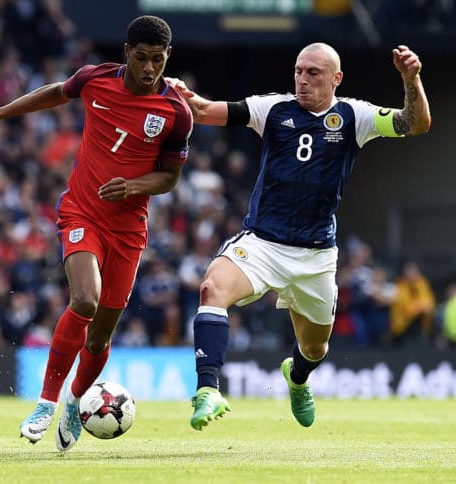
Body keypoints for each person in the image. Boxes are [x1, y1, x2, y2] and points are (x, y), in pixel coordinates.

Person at [0, 15, 192, 451]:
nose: (148, 69)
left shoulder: (176, 113)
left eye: (157, 60)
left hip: (129, 230)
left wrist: (135, 186)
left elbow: (170, 178)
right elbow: (56, 92)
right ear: (127, 53)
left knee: (102, 334)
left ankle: (73, 401)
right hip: (82, 212)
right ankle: (46, 402)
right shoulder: (96, 79)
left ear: (167, 58)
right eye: (141, 58)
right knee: (83, 299)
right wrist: (1, 111)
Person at [171, 43, 430, 429]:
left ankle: (297, 378)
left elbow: (416, 123)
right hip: (262, 244)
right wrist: (181, 93)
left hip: (316, 257)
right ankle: (208, 388)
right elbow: (206, 110)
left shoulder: (353, 116)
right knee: (212, 289)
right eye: (298, 71)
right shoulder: (273, 109)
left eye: (313, 73)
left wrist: (412, 80)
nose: (302, 80)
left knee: (314, 348)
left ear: (336, 79)